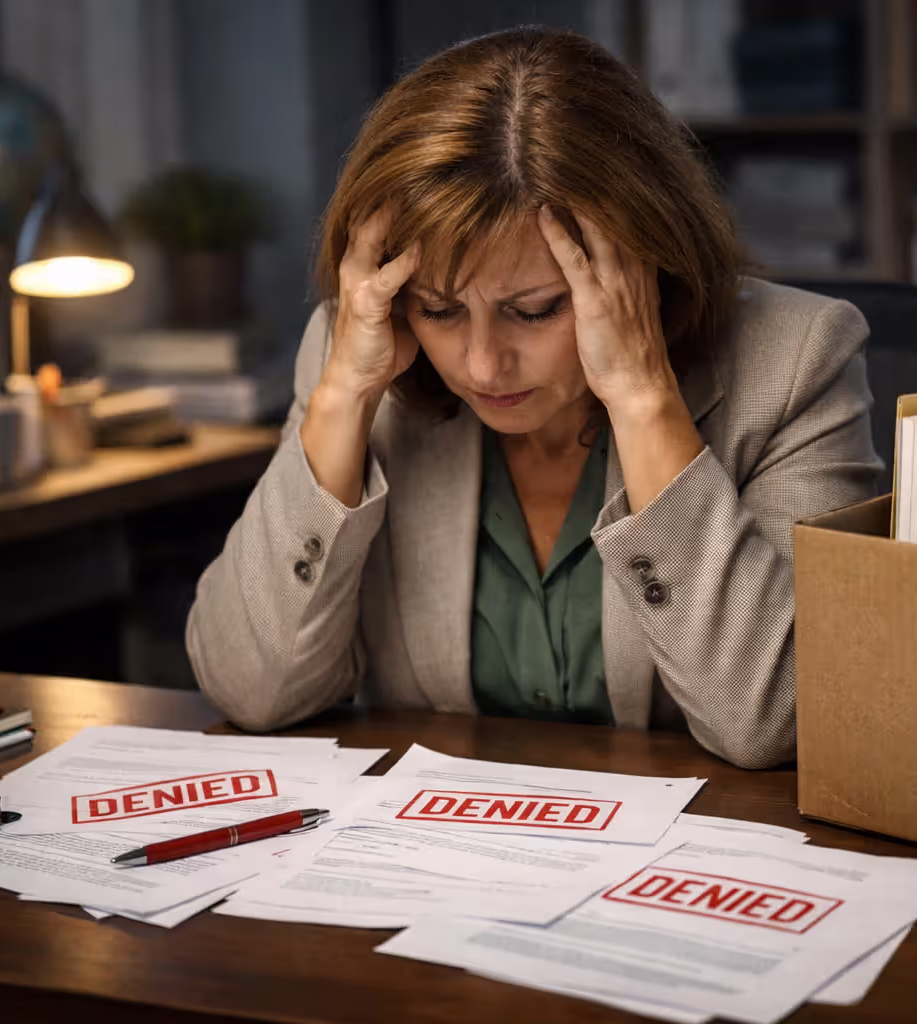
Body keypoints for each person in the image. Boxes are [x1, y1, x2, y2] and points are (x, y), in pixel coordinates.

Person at [186, 26, 879, 769]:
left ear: (643, 265)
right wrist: (342, 398)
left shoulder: (796, 359)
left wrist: (646, 399)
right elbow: (250, 690)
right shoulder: (362, 354)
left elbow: (778, 722)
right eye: (441, 309)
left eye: (536, 309)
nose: (483, 364)